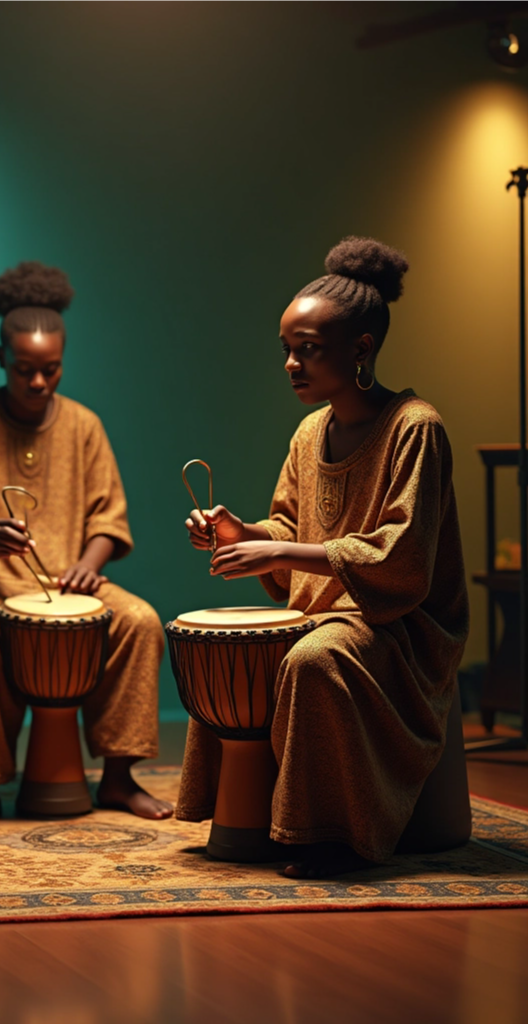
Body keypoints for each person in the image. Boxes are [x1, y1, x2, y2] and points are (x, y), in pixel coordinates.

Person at [179, 237, 469, 877]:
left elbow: (402, 560)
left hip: (399, 630)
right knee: (234, 642)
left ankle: (329, 833)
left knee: (313, 658)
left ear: (361, 350)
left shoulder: (415, 427)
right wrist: (242, 532)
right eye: (286, 349)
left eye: (307, 349)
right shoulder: (311, 431)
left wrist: (280, 548)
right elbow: (287, 525)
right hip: (326, 613)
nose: (290, 364)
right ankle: (244, 819)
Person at [0, 261, 172, 827]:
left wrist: (87, 564)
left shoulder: (84, 425)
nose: (38, 382)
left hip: (72, 584)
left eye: (52, 370)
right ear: (0, 358)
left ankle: (118, 777)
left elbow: (110, 519)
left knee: (141, 620)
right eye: (25, 369)